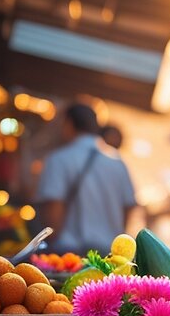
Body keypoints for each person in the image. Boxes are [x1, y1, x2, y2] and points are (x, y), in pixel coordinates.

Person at [36, 103, 137, 255]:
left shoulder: (59, 159)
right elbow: (129, 206)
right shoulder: (117, 161)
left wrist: (53, 246)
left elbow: (53, 206)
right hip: (109, 254)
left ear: (69, 124)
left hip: (69, 253)